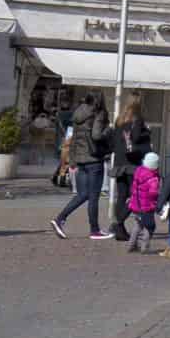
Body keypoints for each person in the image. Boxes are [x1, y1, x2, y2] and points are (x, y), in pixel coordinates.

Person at [52, 92, 111, 240]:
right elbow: (97, 135)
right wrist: (109, 130)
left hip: (80, 159)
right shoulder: (99, 113)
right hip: (94, 159)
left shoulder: (78, 113)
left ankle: (60, 219)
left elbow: (74, 139)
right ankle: (95, 230)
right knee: (93, 197)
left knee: (82, 194)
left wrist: (72, 160)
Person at [109, 94, 153, 242]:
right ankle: (118, 222)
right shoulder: (138, 120)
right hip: (132, 163)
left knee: (122, 195)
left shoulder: (119, 120)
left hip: (119, 162)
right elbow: (135, 138)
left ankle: (120, 230)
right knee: (135, 195)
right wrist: (147, 131)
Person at [125, 153, 162, 253]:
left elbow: (133, 188)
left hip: (136, 205)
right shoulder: (153, 178)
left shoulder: (138, 172)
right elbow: (153, 193)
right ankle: (144, 247)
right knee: (150, 226)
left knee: (138, 225)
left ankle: (131, 245)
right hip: (147, 207)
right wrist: (160, 195)